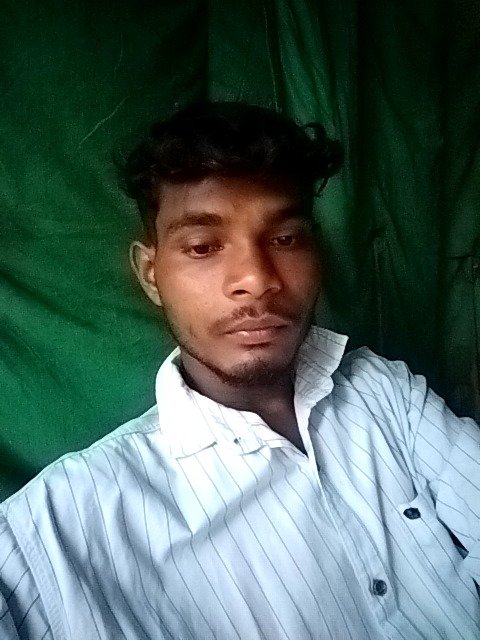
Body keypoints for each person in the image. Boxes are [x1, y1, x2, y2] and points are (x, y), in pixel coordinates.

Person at [0, 102, 479, 640]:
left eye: (285, 239)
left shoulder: (385, 392)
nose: (256, 278)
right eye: (203, 246)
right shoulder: (66, 520)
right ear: (151, 274)